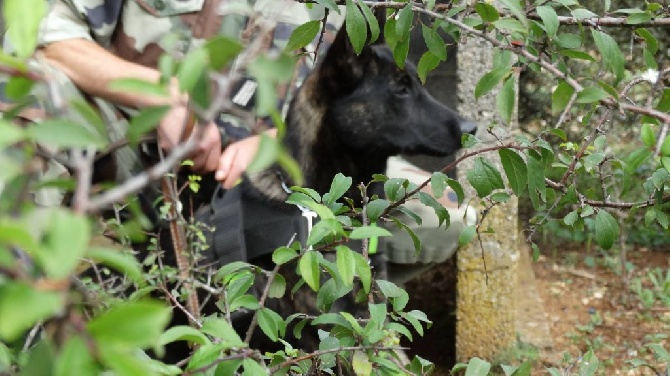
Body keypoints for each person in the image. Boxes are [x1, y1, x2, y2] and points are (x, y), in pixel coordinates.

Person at [2, 0, 474, 283]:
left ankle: (301, 323)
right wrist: (164, 99)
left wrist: (278, 137)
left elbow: (353, 77)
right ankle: (40, 315)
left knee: (446, 217)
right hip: (127, 151)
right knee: (23, 95)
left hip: (277, 164)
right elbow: (44, 37)